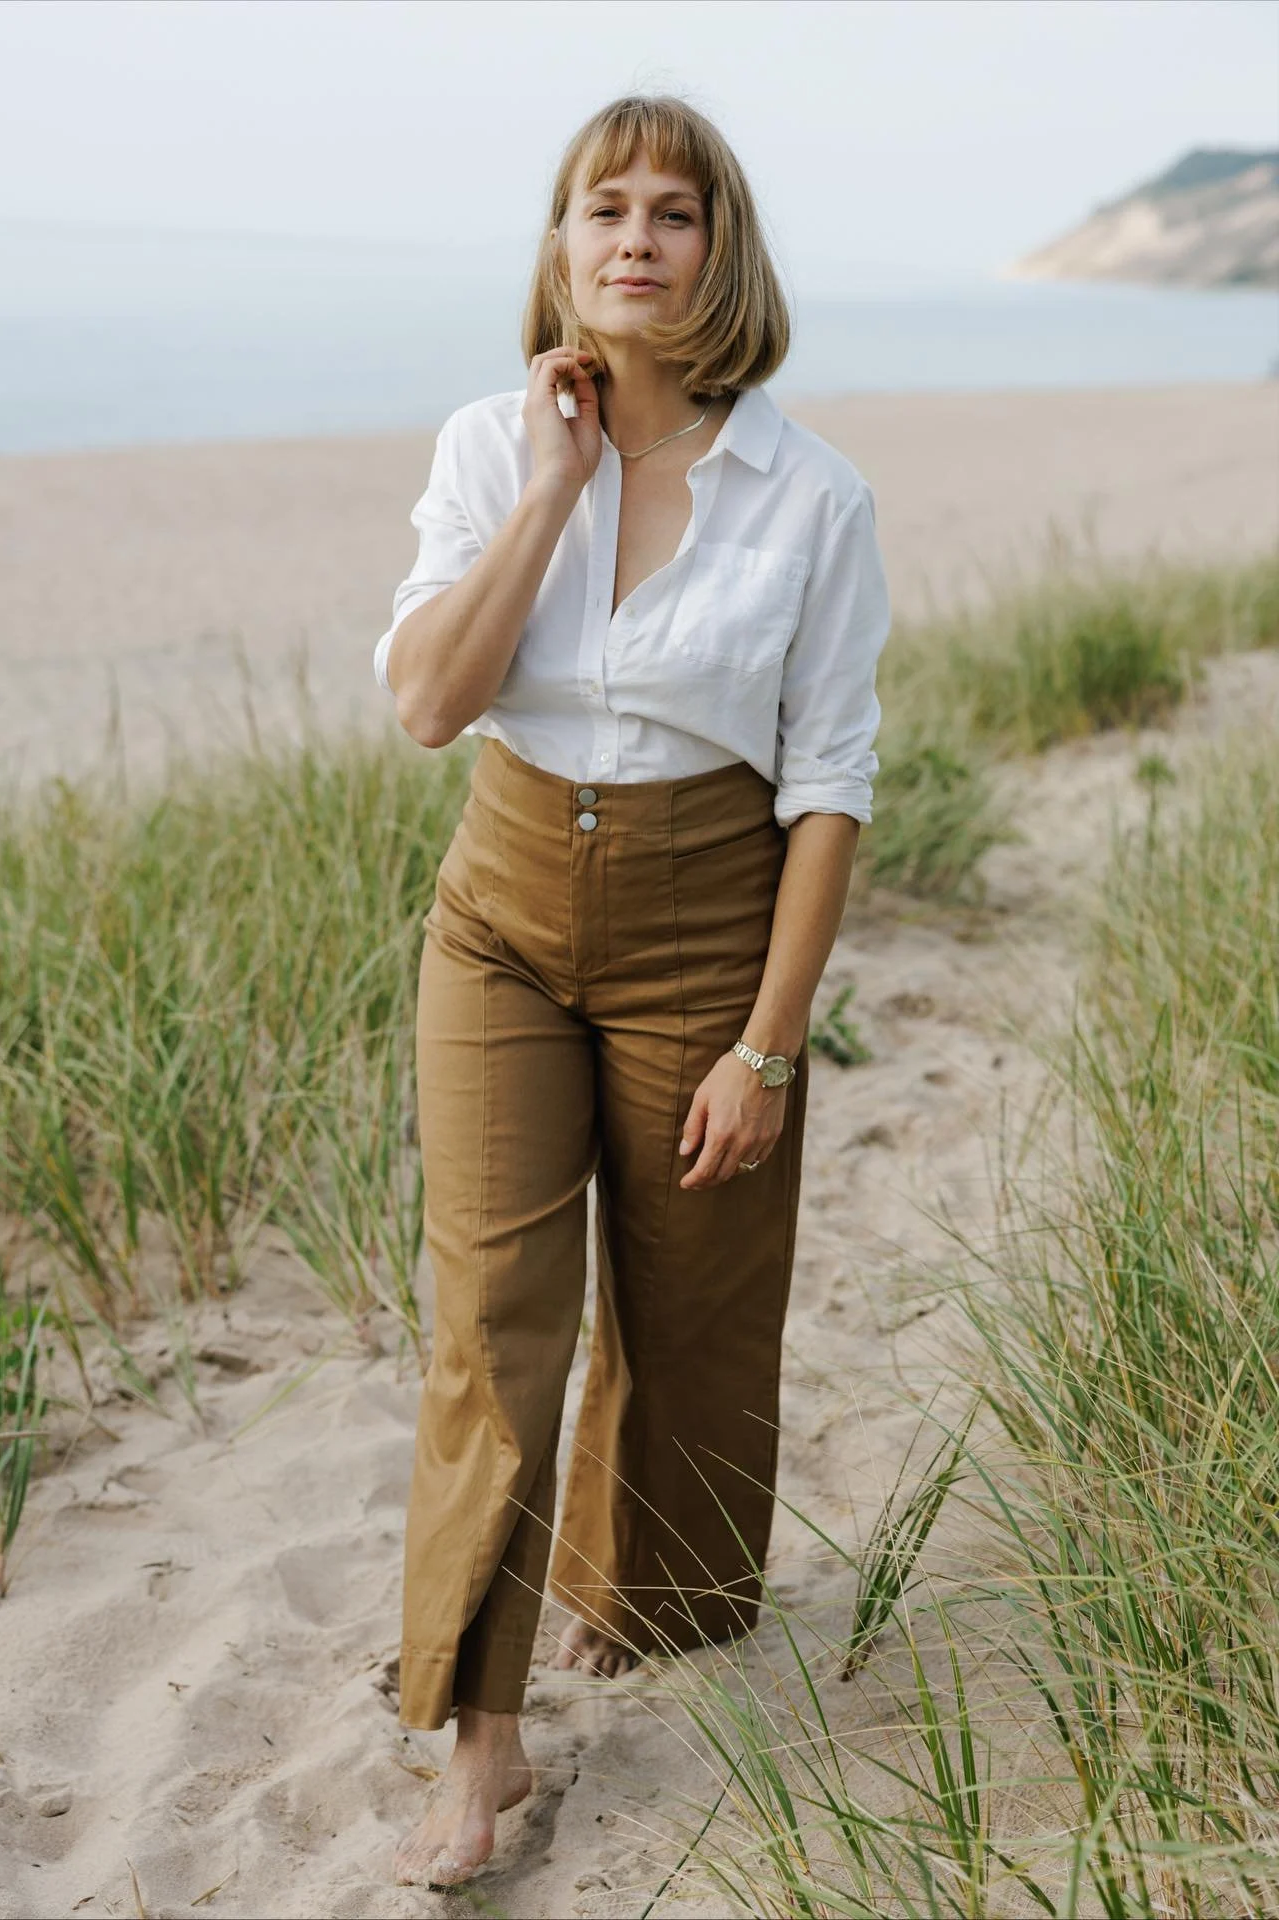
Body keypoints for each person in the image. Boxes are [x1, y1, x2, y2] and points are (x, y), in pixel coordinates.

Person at [373, 93, 891, 1889]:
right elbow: (435, 703)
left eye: (677, 212)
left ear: (718, 250)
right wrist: (551, 487)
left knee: (691, 1309)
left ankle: (650, 1590)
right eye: (607, 208)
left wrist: (769, 1040)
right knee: (498, 1321)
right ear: (563, 242)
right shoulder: (482, 445)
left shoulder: (811, 492)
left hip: (707, 911)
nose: (639, 241)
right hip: (504, 909)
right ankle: (482, 1741)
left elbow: (830, 783)